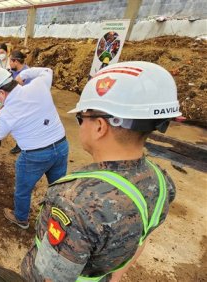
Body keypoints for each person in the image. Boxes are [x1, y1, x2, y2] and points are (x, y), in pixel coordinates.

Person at [21, 61, 179, 281]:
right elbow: (140, 241)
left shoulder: (74, 201)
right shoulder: (161, 182)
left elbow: (52, 276)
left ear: (99, 127)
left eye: (80, 118)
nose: (79, 125)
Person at [0, 67, 68, 229]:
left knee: (23, 190)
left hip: (35, 156)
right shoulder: (39, 85)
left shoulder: (7, 114)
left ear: (2, 93)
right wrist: (24, 75)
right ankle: (57, 217)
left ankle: (21, 218)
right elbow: (47, 71)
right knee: (58, 186)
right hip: (61, 146)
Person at [8, 50, 30, 154]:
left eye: (10, 61)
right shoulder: (13, 71)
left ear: (15, 61)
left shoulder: (27, 74)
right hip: (14, 102)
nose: (9, 64)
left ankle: (21, 145)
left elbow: (29, 93)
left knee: (22, 125)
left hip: (25, 105)